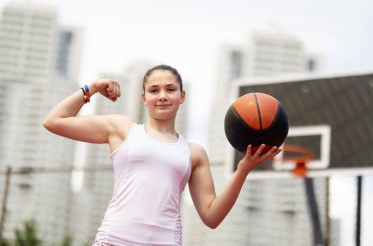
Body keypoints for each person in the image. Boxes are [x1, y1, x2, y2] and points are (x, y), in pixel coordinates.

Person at [43, 64, 281, 246]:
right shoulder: (121, 129)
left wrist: (243, 170)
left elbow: (212, 216)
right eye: (154, 90)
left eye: (170, 89)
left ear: (182, 96)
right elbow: (54, 121)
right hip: (114, 240)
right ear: (144, 98)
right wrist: (92, 88)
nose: (163, 95)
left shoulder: (194, 153)